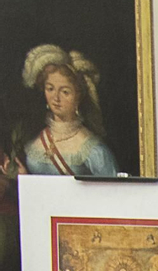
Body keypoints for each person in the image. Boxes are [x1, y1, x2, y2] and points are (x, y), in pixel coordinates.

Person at [15, 45, 117, 177]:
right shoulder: (35, 141)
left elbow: (113, 192)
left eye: (65, 92)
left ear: (78, 96)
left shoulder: (93, 150)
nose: (56, 98)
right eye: (50, 89)